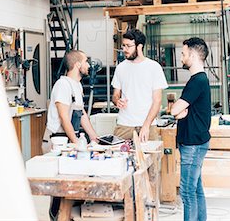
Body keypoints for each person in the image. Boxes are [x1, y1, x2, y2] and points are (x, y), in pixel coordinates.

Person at [41, 50, 99, 221]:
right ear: (77, 65)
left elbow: (81, 115)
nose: (89, 65)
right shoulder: (62, 85)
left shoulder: (77, 86)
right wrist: (76, 143)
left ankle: (70, 217)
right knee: (60, 188)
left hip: (69, 139)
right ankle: (56, 217)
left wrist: (95, 138)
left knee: (74, 185)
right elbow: (64, 117)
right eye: (86, 61)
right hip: (57, 140)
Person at [170, 37, 211, 221]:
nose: (181, 58)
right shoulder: (200, 79)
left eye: (183, 54)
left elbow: (175, 110)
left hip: (193, 144)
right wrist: (180, 112)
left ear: (193, 56)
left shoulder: (197, 81)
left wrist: (179, 111)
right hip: (196, 141)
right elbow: (179, 112)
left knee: (187, 193)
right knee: (196, 189)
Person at [111, 29, 168, 142]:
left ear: (139, 46)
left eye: (128, 46)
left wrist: (146, 125)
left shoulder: (154, 67)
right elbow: (115, 95)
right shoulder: (120, 68)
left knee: (151, 158)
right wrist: (117, 101)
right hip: (124, 125)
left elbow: (157, 101)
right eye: (123, 46)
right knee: (118, 156)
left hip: (148, 125)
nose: (124, 50)